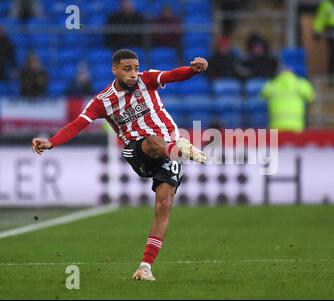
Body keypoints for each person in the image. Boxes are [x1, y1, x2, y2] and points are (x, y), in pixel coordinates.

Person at [31, 49, 208, 281]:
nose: (134, 74)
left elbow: (173, 75)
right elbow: (77, 124)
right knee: (152, 142)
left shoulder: (147, 79)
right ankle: (179, 149)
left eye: (136, 68)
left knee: (163, 204)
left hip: (168, 148)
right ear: (115, 70)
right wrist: (52, 142)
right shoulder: (102, 101)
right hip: (137, 150)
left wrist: (193, 70)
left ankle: (145, 267)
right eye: (127, 69)